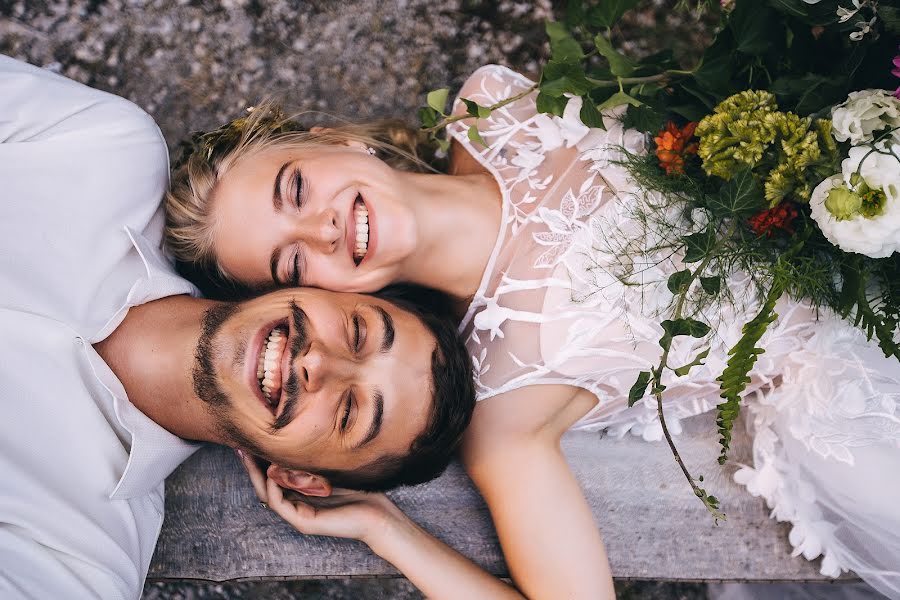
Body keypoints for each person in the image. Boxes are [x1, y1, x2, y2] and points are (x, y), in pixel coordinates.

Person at [165, 64, 900, 599]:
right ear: (304, 300)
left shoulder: (494, 102)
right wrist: (388, 533)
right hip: (856, 395)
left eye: (293, 187)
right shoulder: (506, 410)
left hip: (862, 207)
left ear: (332, 141)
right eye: (290, 261)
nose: (319, 227)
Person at [0, 55, 478, 599]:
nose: (317, 363)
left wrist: (386, 528)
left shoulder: (84, 561)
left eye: (349, 412)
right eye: (356, 332)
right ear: (325, 286)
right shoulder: (105, 150)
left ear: (298, 479)